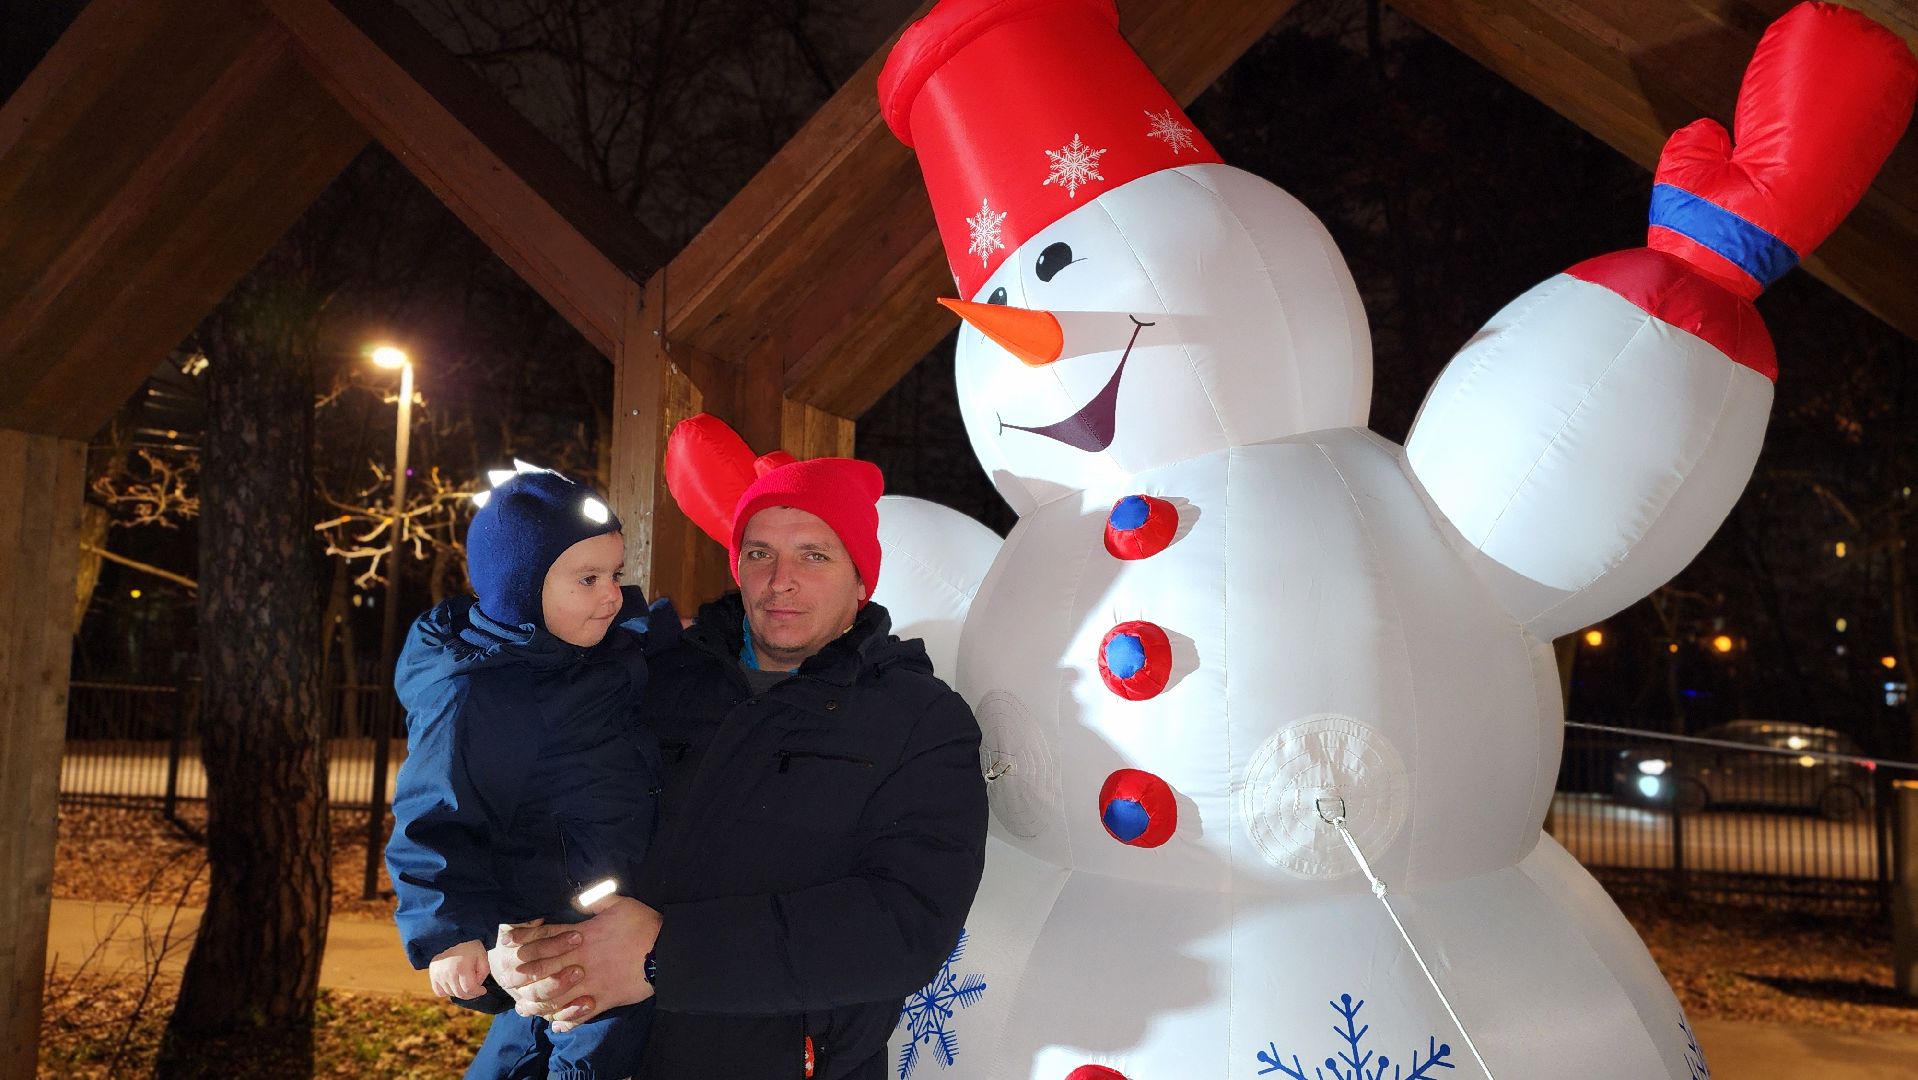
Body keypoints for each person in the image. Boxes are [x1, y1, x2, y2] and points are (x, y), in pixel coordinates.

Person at [490, 455, 990, 1080]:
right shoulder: (645, 677)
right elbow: (531, 812)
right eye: (759, 554)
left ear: (862, 579)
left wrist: (665, 956)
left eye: (814, 556)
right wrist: (499, 941)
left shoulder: (922, 721)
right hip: (561, 1049)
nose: (781, 581)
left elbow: (904, 925)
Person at [386, 466, 667, 1080]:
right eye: (588, 579)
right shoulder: (480, 695)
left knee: (531, 1039)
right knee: (592, 1031)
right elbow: (435, 816)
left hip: (604, 893)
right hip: (553, 910)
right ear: (523, 590)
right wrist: (449, 931)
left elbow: (648, 633)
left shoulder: (600, 651)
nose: (611, 595)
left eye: (615, 574)